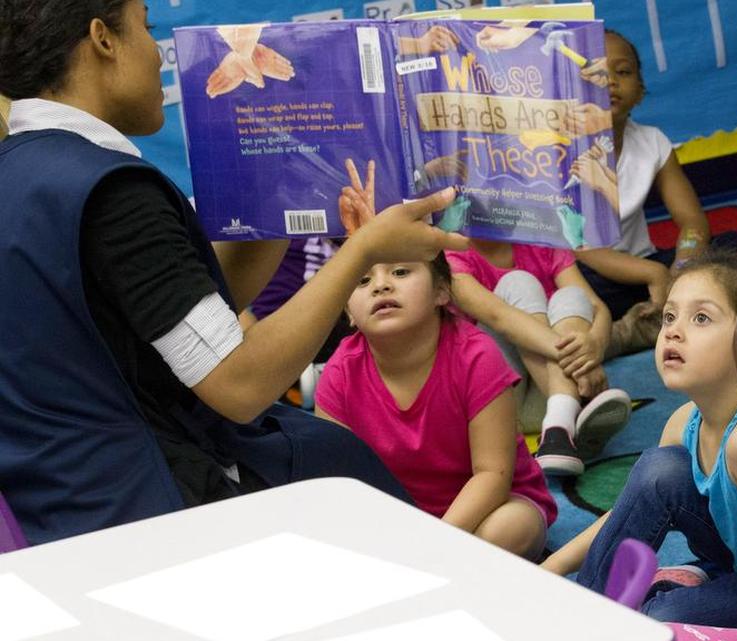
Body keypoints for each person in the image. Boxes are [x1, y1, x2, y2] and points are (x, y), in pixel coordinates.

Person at [0, 0, 467, 545]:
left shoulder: (25, 171)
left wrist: (285, 194)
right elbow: (239, 383)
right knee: (345, 470)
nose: (159, 54)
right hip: (147, 504)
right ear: (103, 38)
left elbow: (181, 316)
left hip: (52, 498)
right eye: (147, 29)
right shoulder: (113, 192)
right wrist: (361, 252)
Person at [541, 254, 737, 628]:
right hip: (735, 562)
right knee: (660, 469)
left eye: (701, 318)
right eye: (669, 316)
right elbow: (630, 512)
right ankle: (592, 606)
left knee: (661, 619)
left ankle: (686, 591)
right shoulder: (683, 422)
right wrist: (550, 569)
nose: (672, 331)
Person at [314, 255, 555, 559]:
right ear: (348, 311)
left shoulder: (476, 356)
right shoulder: (340, 373)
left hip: (491, 506)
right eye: (363, 281)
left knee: (509, 528)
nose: (381, 285)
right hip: (398, 517)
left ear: (441, 291)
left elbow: (493, 474)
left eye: (400, 270)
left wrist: (434, 542)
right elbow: (337, 481)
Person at [568, 30, 713, 356]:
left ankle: (648, 319)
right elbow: (582, 246)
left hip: (645, 264)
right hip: (594, 275)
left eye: (623, 72)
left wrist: (681, 266)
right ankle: (628, 330)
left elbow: (692, 220)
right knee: (569, 300)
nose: (611, 82)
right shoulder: (563, 153)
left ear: (641, 91)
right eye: (596, 73)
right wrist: (656, 274)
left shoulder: (652, 142)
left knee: (731, 248)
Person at [446, 236, 631, 476]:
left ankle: (559, 426)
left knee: (571, 295)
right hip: (497, 401)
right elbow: (498, 317)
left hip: (546, 398)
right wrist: (581, 366)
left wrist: (595, 343)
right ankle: (580, 407)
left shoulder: (542, 239)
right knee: (517, 282)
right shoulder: (452, 254)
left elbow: (597, 307)